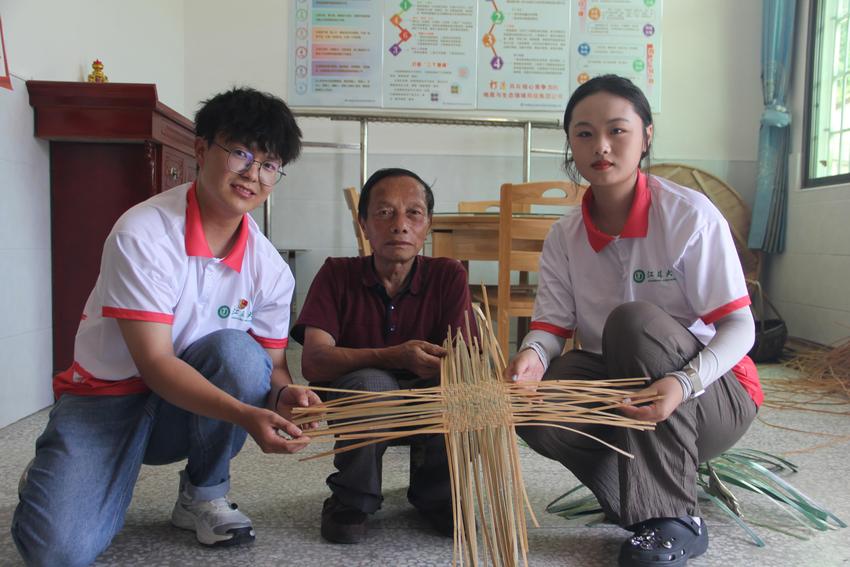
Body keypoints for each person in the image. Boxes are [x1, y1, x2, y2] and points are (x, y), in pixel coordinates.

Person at [12, 87, 321, 566]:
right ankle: (58, 468)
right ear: (201, 150)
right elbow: (155, 365)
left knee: (240, 355)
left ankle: (204, 493)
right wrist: (245, 416)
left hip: (184, 413)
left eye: (269, 164)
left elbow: (274, 366)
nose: (252, 174)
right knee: (57, 551)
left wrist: (285, 397)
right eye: (240, 152)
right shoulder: (145, 232)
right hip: (106, 400)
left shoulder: (270, 269)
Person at [505, 75, 762, 567]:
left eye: (617, 130)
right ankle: (637, 505)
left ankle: (677, 518)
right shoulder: (565, 235)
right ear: (570, 144)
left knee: (633, 323)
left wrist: (683, 383)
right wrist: (532, 359)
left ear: (645, 136)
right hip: (624, 394)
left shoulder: (690, 216)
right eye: (583, 133)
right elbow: (552, 327)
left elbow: (741, 328)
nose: (600, 146)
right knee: (538, 406)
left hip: (712, 395)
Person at [291, 168, 474, 544]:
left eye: (414, 213)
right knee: (374, 384)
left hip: (426, 395)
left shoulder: (448, 275)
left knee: (455, 385)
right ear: (363, 224)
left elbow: (464, 358)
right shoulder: (336, 274)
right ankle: (352, 498)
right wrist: (393, 356)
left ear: (429, 225)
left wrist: (451, 366)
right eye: (385, 213)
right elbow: (313, 361)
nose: (400, 226)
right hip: (361, 396)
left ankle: (437, 495)